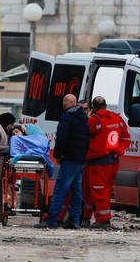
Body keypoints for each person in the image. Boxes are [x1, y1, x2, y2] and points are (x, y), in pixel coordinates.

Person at [35, 94, 89, 229]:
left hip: (69, 158)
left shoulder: (67, 117)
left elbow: (61, 138)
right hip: (80, 158)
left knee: (60, 188)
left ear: (65, 104)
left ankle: (51, 219)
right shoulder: (84, 118)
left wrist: (58, 155)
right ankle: (74, 220)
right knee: (76, 191)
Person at [83, 96, 130, 229]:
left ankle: (103, 220)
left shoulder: (94, 120)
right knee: (106, 191)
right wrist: (118, 150)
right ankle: (102, 218)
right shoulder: (117, 119)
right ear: (106, 106)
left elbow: (84, 134)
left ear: (93, 108)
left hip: (99, 162)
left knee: (98, 191)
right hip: (113, 161)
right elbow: (126, 137)